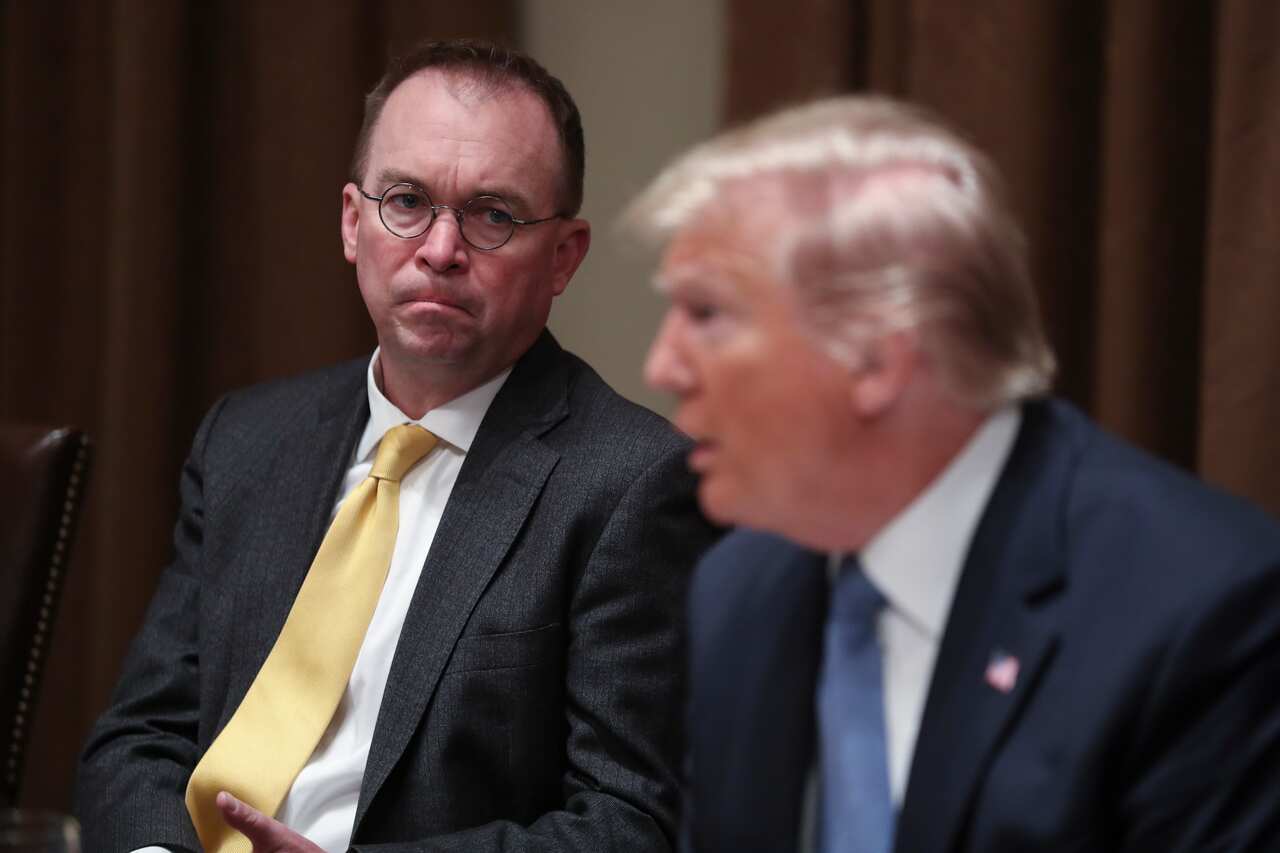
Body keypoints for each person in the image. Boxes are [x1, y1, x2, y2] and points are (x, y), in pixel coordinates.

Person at [76, 39, 716, 853]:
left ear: (563, 257)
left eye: (493, 215)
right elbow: (139, 735)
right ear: (353, 223)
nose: (440, 250)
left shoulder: (631, 481)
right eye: (407, 201)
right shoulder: (248, 438)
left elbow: (627, 825)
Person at [632, 95, 1280, 852]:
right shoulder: (740, 592)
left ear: (876, 356)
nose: (662, 364)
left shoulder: (1200, 607)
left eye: (706, 314)